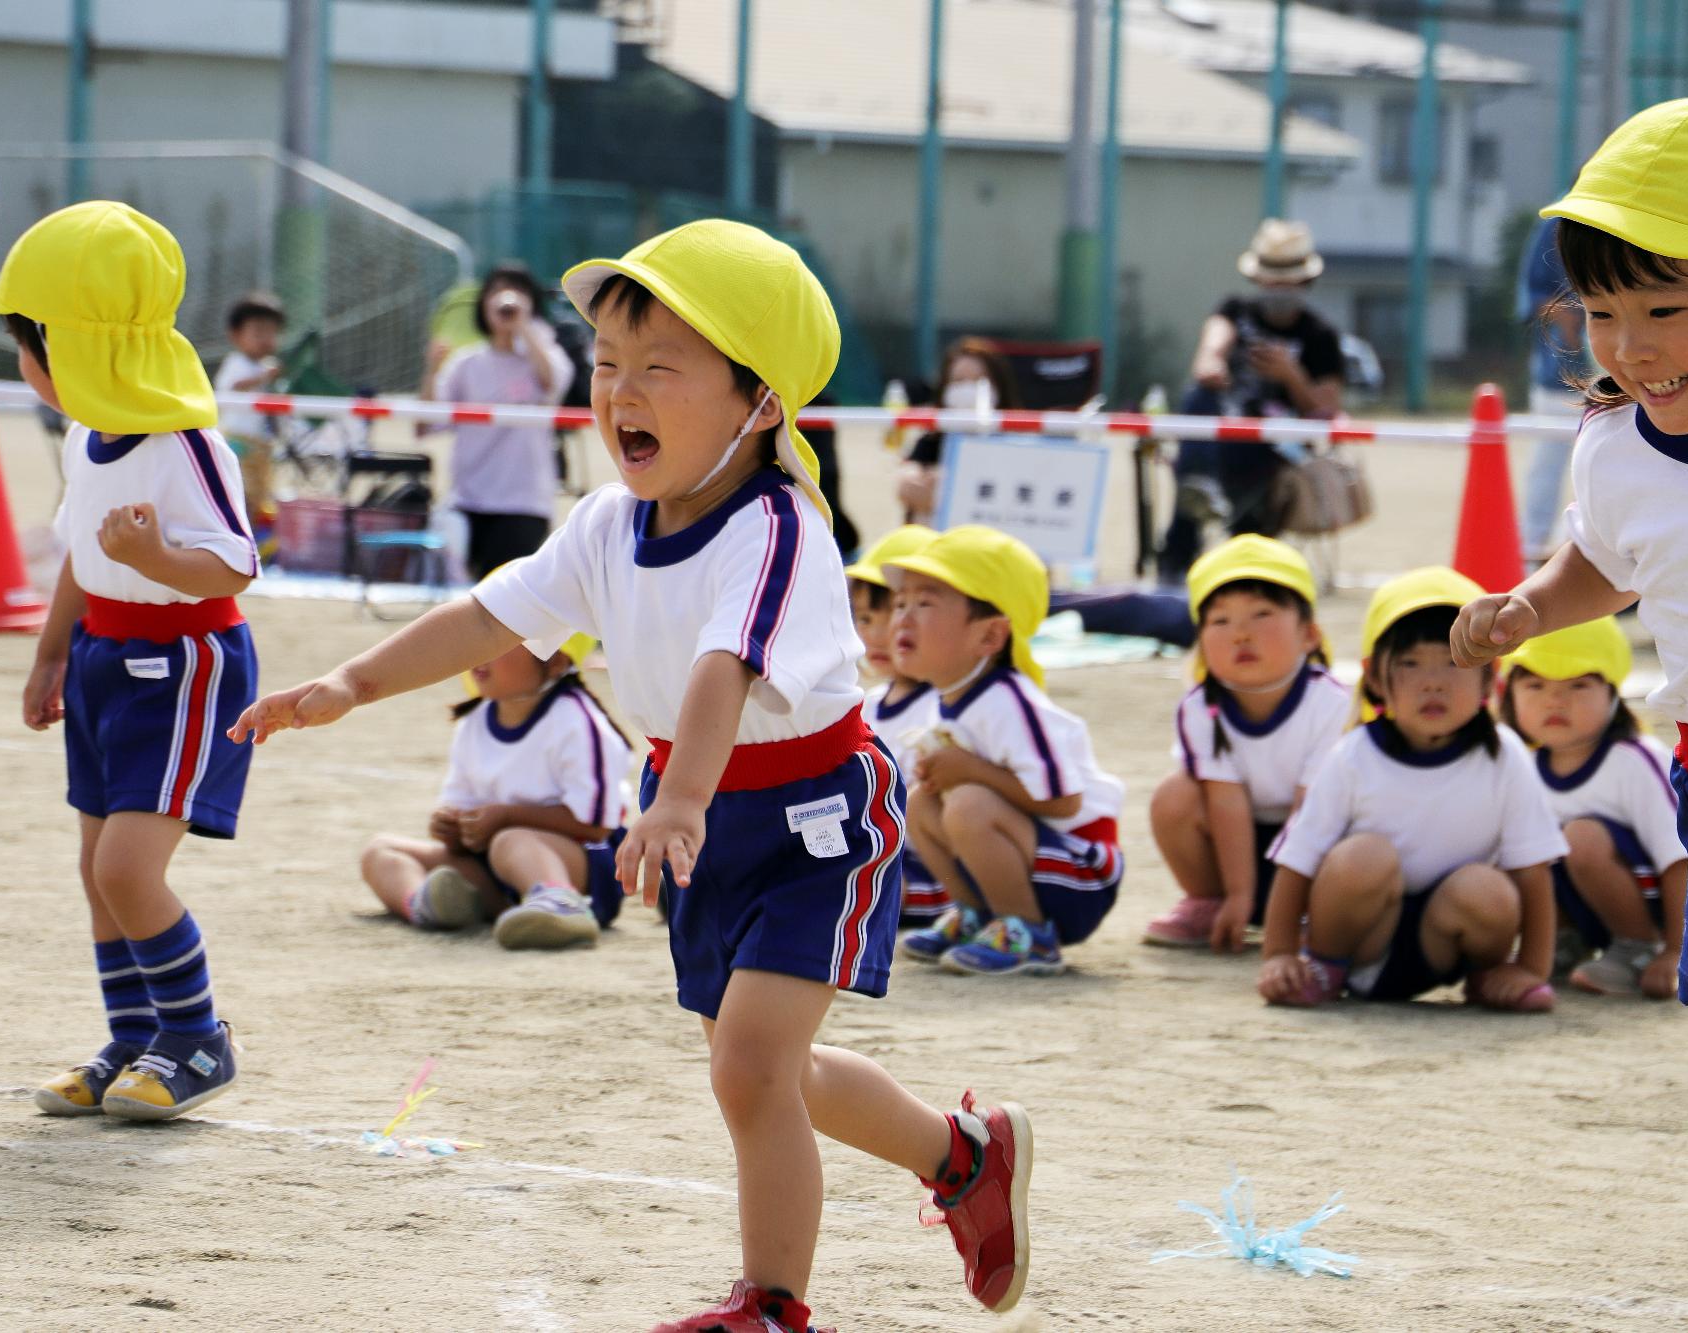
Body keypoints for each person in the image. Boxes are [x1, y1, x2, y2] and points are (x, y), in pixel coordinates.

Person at [230, 220, 1034, 1330]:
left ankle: (772, 1306)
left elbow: (725, 663)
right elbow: (489, 611)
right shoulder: (609, 521)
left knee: (749, 1069)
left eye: (660, 368)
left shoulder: (778, 523)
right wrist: (349, 684)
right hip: (701, 811)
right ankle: (962, 1157)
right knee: (769, 1073)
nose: (620, 392)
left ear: (758, 403)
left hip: (810, 817)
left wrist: (677, 800)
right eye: (607, 365)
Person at [1450, 97, 1688, 1123]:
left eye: (1662, 311)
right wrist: (1529, 604)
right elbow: (1606, 559)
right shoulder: (1615, 444)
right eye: (1599, 312)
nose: (1627, 346)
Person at [0, 200, 260, 1121]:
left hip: (184, 662)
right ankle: (134, 1036)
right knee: (96, 864)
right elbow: (77, 554)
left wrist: (151, 560)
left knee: (127, 869)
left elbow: (232, 562)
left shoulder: (186, 441)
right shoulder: (82, 435)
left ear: (79, 345)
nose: (24, 361)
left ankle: (196, 1037)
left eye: (32, 340)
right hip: (104, 652)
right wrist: (49, 653)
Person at [1263, 568, 1566, 1009]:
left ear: (1489, 677)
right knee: (1364, 856)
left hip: (1441, 944)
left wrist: (1532, 970)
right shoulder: (1353, 754)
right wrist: (1278, 955)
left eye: (1454, 661)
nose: (1433, 682)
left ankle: (1488, 979)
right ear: (1373, 677)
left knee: (1487, 887)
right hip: (1359, 937)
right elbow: (1298, 860)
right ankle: (1323, 970)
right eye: (1409, 663)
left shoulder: (1504, 754)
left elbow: (1532, 869)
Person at [890, 526, 1126, 977]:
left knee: (968, 804)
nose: (903, 617)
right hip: (1035, 857)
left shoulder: (1011, 700)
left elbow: (1065, 800)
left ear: (990, 637)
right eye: (901, 603)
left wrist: (970, 772)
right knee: (921, 800)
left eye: (925, 604)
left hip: (1081, 872)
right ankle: (978, 915)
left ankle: (1029, 934)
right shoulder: (952, 695)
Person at [1143, 535, 1352, 950]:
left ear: (1309, 634)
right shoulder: (1200, 706)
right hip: (1234, 847)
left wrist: (1287, 907)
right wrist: (1239, 894)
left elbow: (1311, 810)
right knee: (1174, 796)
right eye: (1219, 621)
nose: (1240, 634)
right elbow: (1225, 801)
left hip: (1317, 844)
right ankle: (1209, 901)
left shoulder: (1331, 702)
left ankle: (1314, 912)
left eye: (1261, 614)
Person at [360, 634, 631, 949]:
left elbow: (597, 826)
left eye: (498, 644)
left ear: (556, 661)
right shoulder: (474, 722)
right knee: (381, 851)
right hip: (496, 874)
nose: (480, 653)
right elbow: (460, 805)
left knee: (510, 839)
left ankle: (560, 903)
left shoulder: (577, 721)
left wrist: (505, 818)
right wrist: (453, 829)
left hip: (586, 872)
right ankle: (429, 905)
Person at [1499, 617, 1685, 998]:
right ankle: (1562, 941)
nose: (1554, 700)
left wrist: (1676, 951)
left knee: (1580, 837)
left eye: (1579, 685)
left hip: (1659, 910)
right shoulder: (1523, 766)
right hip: (1587, 907)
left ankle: (1637, 948)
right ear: (1509, 695)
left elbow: (1680, 857)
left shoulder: (1633, 760)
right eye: (1535, 685)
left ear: (1613, 695)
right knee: (1525, 847)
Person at [1158, 219, 1346, 583]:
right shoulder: (1234, 311)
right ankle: (1193, 518)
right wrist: (1214, 365)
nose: (1277, 287)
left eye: (1286, 278)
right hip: (1220, 434)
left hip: (1277, 447)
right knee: (1200, 400)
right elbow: (1209, 352)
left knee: (1228, 460)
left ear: (1303, 281)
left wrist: (1291, 376)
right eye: (1271, 277)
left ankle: (1216, 548)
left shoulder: (1320, 336)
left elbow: (1325, 410)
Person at [428, 263, 574, 580]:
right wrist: (431, 369)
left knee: (503, 593)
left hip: (524, 503)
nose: (505, 303)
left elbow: (553, 383)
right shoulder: (465, 363)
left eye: (517, 293)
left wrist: (523, 326)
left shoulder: (547, 355)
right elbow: (425, 424)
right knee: (464, 598)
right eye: (495, 293)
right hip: (467, 499)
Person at [845, 523, 949, 924]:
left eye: (897, 617)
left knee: (858, 887)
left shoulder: (940, 708)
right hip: (870, 848)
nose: (877, 637)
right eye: (865, 619)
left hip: (923, 864)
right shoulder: (864, 706)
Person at [1515, 216, 1590, 563]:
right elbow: (1535, 295)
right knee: (1549, 464)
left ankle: (1587, 556)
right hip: (1561, 375)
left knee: (1604, 467)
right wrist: (1572, 324)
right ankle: (1533, 556)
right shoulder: (1557, 221)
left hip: (1623, 375)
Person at [895, 337, 1020, 526]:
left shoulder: (1018, 442)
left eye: (979, 381)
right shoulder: (932, 441)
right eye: (959, 381)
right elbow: (909, 486)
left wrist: (946, 488)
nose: (968, 390)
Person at [214, 291, 286, 524]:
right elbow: (234, 386)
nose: (266, 339)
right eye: (258, 332)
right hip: (238, 440)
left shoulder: (266, 366)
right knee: (239, 488)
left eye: (271, 332)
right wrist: (264, 376)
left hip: (260, 442)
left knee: (261, 492)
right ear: (236, 335)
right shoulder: (236, 363)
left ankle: (258, 535)